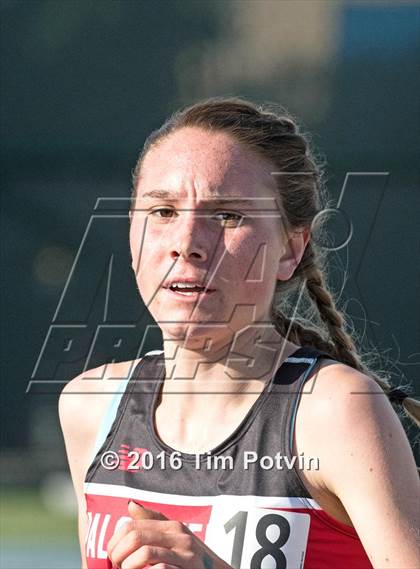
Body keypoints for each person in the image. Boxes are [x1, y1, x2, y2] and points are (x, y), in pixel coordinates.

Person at [59, 97, 420, 569]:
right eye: (163, 212)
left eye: (228, 215)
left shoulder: (336, 410)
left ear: (291, 250)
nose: (186, 244)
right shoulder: (89, 406)